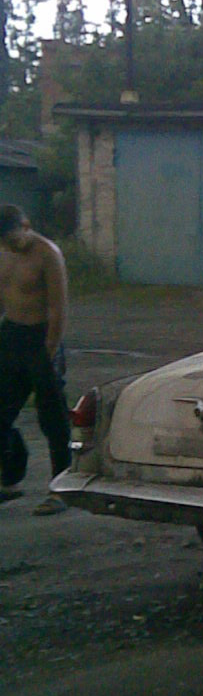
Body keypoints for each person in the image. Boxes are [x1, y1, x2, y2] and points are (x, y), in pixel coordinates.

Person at [0, 203, 72, 513]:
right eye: (5, 242)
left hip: (41, 339)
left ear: (26, 225)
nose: (11, 246)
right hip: (10, 337)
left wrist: (50, 350)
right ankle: (11, 479)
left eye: (13, 240)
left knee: (52, 418)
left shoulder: (48, 254)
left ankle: (61, 489)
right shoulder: (3, 253)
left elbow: (59, 307)